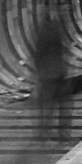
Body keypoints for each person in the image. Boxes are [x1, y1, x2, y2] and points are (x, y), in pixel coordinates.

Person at [33, 8, 70, 140]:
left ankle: (45, 134)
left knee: (49, 107)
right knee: (61, 106)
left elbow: (38, 54)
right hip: (55, 75)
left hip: (50, 75)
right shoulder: (53, 31)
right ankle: (61, 135)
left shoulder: (46, 30)